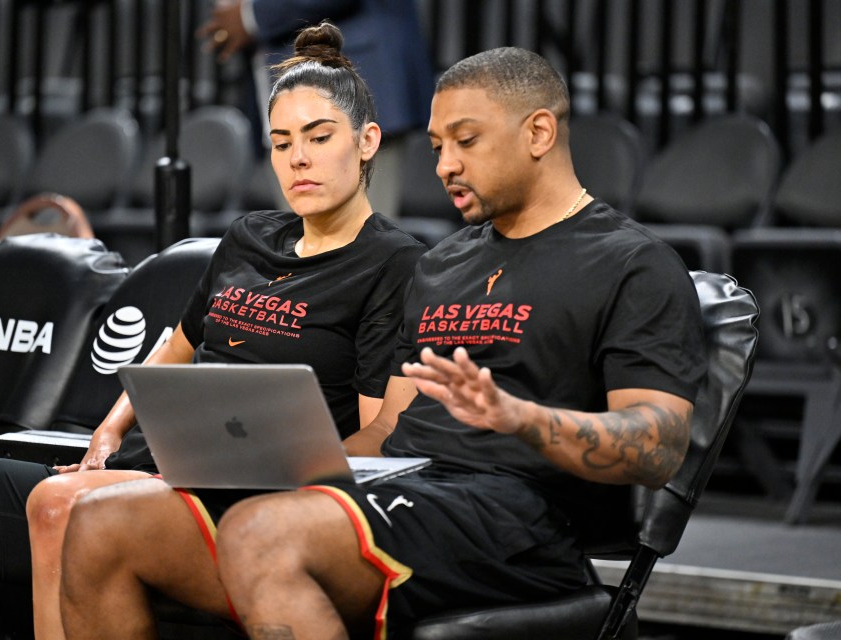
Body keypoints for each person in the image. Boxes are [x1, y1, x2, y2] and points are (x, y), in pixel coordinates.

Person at [57, 46, 707, 639]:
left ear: (538, 132)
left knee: (265, 534)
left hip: (518, 522)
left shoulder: (633, 264)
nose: (446, 165)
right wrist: (266, 455)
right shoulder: (441, 264)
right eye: (435, 145)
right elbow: (386, 430)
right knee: (101, 523)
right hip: (405, 489)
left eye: (466, 140)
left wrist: (523, 418)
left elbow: (658, 446)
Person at [0, 22, 425, 640]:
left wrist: (290, 464)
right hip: (147, 465)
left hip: (236, 495)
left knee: (59, 506)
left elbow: (384, 431)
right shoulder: (248, 236)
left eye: (318, 137)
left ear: (367, 141)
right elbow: (174, 347)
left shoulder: (393, 263)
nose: (296, 158)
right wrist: (108, 431)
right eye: (280, 143)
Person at [199, 0, 435, 217]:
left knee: (358, 251)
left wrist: (250, 14)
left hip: (355, 79)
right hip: (282, 90)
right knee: (310, 251)